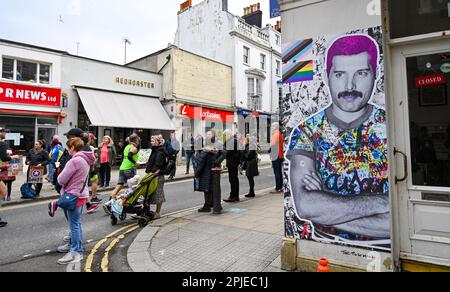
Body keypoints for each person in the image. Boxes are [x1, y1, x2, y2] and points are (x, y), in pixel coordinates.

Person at [287, 34, 389, 240]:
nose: (350, 86)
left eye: (361, 73)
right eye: (340, 74)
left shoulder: (391, 124)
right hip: (324, 246)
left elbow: (397, 220)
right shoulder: (307, 131)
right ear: (327, 77)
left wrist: (327, 209)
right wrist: (384, 202)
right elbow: (306, 206)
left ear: (375, 74)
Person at [49, 137, 95, 265]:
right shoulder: (86, 159)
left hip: (72, 195)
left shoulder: (74, 161)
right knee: (77, 223)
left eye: (69, 147)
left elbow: (61, 179)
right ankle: (77, 249)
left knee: (74, 225)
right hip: (81, 195)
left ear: (73, 148)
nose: (67, 150)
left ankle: (75, 252)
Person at [195, 130, 226, 215]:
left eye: (209, 134)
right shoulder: (207, 143)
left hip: (214, 168)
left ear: (213, 135)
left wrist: (217, 162)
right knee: (208, 187)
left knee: (214, 187)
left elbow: (224, 154)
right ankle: (209, 204)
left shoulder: (219, 143)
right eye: (207, 134)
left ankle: (215, 206)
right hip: (207, 168)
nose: (207, 135)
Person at [0, 128, 20, 227]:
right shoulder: (2, 144)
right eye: (4, 132)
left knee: (3, 191)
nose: (5, 134)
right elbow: (4, 158)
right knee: (3, 191)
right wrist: (14, 157)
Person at [146, 135, 169, 220]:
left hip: (158, 176)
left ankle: (158, 213)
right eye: (151, 141)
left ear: (159, 142)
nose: (152, 142)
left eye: (154, 141)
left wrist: (153, 173)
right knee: (148, 194)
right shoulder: (154, 150)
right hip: (152, 174)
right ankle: (146, 211)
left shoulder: (160, 151)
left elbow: (158, 165)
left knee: (158, 194)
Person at [110, 135, 141, 200]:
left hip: (122, 168)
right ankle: (132, 200)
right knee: (133, 186)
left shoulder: (127, 146)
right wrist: (135, 163)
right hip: (129, 168)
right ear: (136, 141)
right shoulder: (133, 148)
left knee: (120, 184)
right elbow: (130, 156)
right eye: (138, 140)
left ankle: (112, 199)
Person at [223, 130, 242, 203]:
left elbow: (228, 153)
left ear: (229, 134)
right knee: (234, 180)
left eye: (225, 135)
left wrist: (222, 153)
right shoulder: (232, 141)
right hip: (233, 163)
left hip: (232, 163)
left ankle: (233, 196)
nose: (224, 136)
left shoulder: (231, 141)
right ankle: (235, 196)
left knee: (233, 180)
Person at [270, 123, 284, 194]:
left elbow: (272, 144)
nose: (271, 127)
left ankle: (278, 187)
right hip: (280, 155)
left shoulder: (275, 134)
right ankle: (280, 187)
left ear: (275, 127)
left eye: (272, 126)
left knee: (276, 172)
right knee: (279, 171)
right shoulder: (280, 133)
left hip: (276, 155)